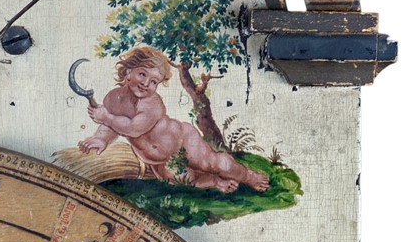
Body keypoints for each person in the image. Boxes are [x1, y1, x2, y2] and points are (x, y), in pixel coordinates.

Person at [78, 44, 268, 193]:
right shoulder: (112, 98)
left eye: (154, 81)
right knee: (183, 179)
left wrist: (106, 117)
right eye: (142, 74)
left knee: (214, 163)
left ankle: (249, 176)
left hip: (183, 141)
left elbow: (133, 128)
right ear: (128, 71)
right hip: (158, 160)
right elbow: (109, 126)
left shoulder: (151, 103)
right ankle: (215, 182)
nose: (146, 83)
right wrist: (101, 139)